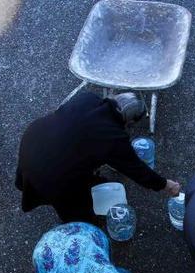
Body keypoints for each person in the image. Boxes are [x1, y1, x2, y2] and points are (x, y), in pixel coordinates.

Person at [16, 91, 181, 222]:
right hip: (49, 174)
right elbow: (138, 171)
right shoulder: (112, 138)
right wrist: (166, 185)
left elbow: (76, 133)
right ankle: (77, 225)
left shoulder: (87, 98)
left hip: (33, 141)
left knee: (71, 155)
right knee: (78, 211)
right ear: (128, 123)